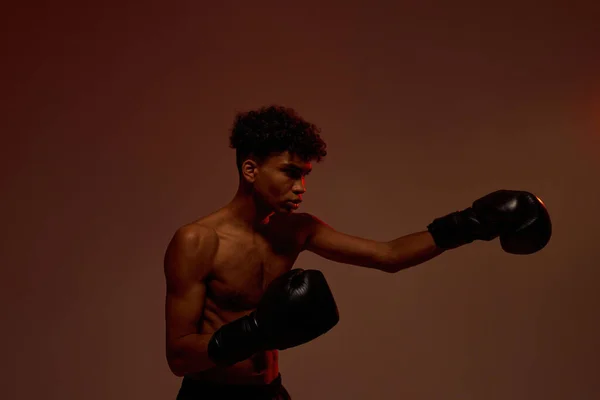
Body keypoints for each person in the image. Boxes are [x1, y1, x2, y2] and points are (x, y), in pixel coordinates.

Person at [163, 105, 552, 399]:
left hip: (271, 392)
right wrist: (255, 331)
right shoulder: (198, 241)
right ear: (250, 170)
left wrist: (470, 223)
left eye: (305, 175)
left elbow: (389, 255)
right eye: (290, 172)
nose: (301, 187)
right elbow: (179, 357)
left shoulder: (297, 230)